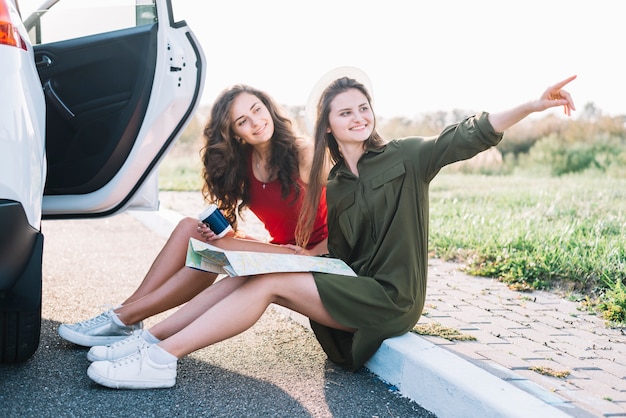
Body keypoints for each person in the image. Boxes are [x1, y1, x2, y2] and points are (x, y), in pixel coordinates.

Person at [85, 67, 576, 389]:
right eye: (346, 112)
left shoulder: (407, 156)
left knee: (269, 279)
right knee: (244, 271)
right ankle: (148, 344)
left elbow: (471, 133)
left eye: (364, 108)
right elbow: (334, 248)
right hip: (348, 284)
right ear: (329, 126)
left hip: (391, 299)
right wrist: (273, 253)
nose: (358, 117)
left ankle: (159, 356)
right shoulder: (337, 182)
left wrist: (532, 105)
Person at [57, 84, 329, 349]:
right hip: (284, 251)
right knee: (193, 228)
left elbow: (352, 212)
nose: (256, 122)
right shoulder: (244, 164)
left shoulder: (302, 153)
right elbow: (236, 230)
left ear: (269, 108)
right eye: (243, 121)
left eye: (258, 110)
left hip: (317, 255)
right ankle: (127, 313)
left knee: (214, 248)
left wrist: (314, 253)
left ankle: (123, 318)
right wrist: (221, 233)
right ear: (235, 134)